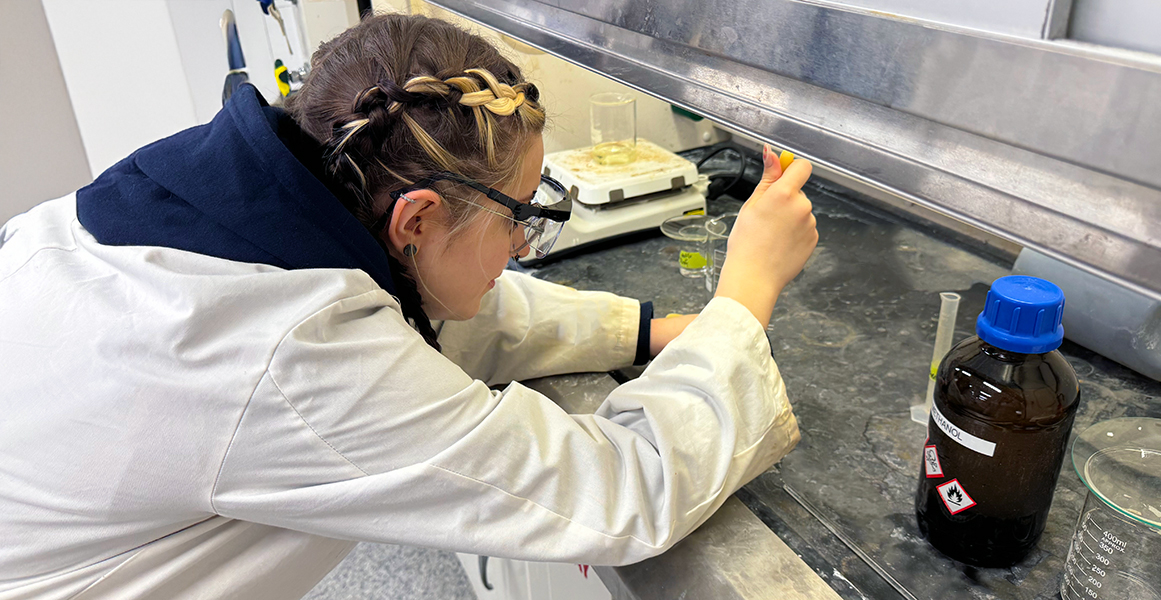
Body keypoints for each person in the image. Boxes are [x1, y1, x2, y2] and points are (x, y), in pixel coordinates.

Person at [0, 13, 819, 600]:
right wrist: (743, 295)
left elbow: (425, 298)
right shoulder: (281, 354)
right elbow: (619, 495)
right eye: (519, 217)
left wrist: (650, 330)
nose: (522, 247)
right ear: (418, 216)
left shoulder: (240, 200)